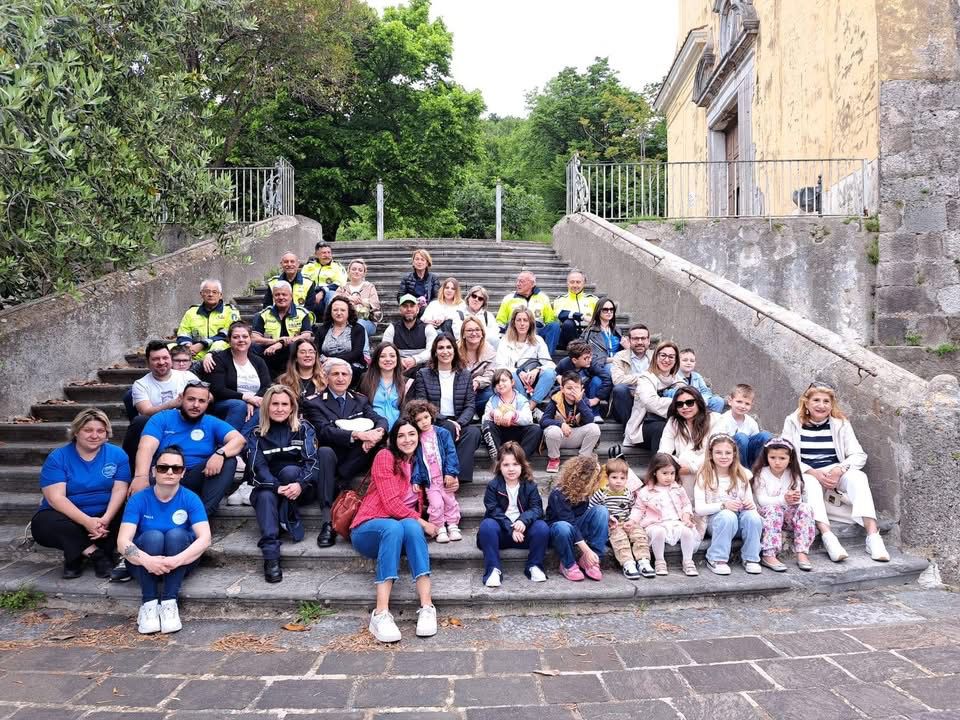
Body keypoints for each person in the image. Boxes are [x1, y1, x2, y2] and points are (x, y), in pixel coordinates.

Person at [350, 420, 438, 643]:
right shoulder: (385, 457)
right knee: (396, 525)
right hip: (368, 528)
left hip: (400, 531)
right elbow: (390, 504)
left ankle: (427, 607)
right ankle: (380, 614)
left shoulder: (419, 462)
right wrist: (424, 523)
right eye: (401, 435)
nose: (407, 439)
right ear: (393, 439)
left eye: (412, 434)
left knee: (407, 526)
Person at [780, 382, 889, 562]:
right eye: (816, 400)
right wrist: (812, 472)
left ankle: (873, 537)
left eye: (826, 401)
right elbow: (786, 453)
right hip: (807, 473)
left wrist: (839, 469)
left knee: (858, 477)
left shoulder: (841, 424)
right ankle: (828, 536)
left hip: (834, 472)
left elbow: (858, 454)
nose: (821, 405)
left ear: (832, 405)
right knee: (812, 484)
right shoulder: (792, 422)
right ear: (806, 403)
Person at [118, 446, 211, 634]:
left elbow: (205, 538)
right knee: (153, 536)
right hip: (143, 563)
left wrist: (176, 560)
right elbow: (122, 541)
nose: (169, 472)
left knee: (176, 535)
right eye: (163, 467)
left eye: (176, 468)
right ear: (153, 470)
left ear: (183, 473)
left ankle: (169, 602)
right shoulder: (139, 499)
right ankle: (149, 604)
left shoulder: (190, 499)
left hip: (178, 562)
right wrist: (147, 560)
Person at [247, 385, 335, 581]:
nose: (279, 409)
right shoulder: (256, 434)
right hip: (270, 488)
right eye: (274, 404)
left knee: (290, 471)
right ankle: (271, 556)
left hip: (301, 488)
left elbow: (312, 462)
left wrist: (300, 485)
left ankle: (286, 516)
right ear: (266, 407)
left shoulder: (304, 428)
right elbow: (256, 470)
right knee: (264, 495)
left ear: (292, 407)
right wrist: (275, 486)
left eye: (284, 404)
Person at [32, 408, 131, 580]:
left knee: (131, 512)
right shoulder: (58, 457)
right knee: (42, 523)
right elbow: (56, 498)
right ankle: (96, 555)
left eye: (100, 431)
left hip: (105, 516)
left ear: (107, 434)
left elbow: (120, 489)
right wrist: (87, 522)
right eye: (88, 430)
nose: (95, 435)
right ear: (76, 431)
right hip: (69, 517)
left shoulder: (117, 455)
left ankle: (76, 555)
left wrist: (106, 518)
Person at [131, 380, 246, 516]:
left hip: (195, 476)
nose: (196, 405)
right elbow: (146, 447)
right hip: (166, 474)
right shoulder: (162, 418)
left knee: (229, 460)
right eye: (191, 399)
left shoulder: (210, 422)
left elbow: (239, 440)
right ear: (181, 399)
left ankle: (202, 516)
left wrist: (220, 453)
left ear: (207, 403)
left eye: (201, 401)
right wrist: (140, 476)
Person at [302, 358, 388, 491]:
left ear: (350, 378)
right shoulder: (313, 402)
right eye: (335, 374)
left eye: (344, 374)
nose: (340, 378)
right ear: (326, 377)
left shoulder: (360, 399)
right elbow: (324, 431)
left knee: (381, 443)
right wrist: (359, 435)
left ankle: (342, 477)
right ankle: (340, 480)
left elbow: (380, 420)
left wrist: (376, 434)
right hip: (332, 453)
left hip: (358, 453)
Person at [410, 334, 481, 484]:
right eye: (440, 348)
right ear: (435, 351)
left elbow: (470, 405)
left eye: (449, 347)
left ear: (455, 350)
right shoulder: (423, 374)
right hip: (435, 420)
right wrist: (445, 419)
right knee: (447, 427)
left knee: (474, 432)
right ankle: (439, 475)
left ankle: (455, 478)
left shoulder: (465, 375)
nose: (445, 351)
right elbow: (422, 403)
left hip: (459, 422)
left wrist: (459, 423)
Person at [477, 441, 549, 587]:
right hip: (500, 534)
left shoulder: (530, 485)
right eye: (506, 465)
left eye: (515, 464)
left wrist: (522, 521)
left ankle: (534, 566)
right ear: (499, 466)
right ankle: (493, 570)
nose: (511, 469)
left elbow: (537, 509)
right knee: (487, 525)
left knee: (542, 527)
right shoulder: (493, 486)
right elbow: (493, 511)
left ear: (522, 465)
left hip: (523, 534)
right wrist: (511, 529)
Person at [122, 340, 199, 468]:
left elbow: (209, 397)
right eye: (156, 359)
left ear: (170, 358)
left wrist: (190, 399)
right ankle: (132, 471)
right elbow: (145, 411)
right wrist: (173, 404)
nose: (162, 362)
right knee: (139, 421)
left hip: (185, 420)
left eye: (165, 357)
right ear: (148, 362)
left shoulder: (186, 376)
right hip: (156, 424)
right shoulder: (141, 384)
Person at [694, 434, 763, 576]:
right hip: (716, 523)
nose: (723, 456)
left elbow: (752, 505)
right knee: (727, 516)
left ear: (734, 454)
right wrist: (723, 505)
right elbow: (700, 509)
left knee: (752, 516)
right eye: (718, 452)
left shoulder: (742, 475)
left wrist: (749, 504)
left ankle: (751, 558)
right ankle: (716, 558)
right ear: (711, 454)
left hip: (739, 522)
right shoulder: (705, 476)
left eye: (728, 453)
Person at [752, 437, 816, 572]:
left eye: (782, 458)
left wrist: (793, 498)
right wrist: (783, 499)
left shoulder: (793, 474)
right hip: (766, 515)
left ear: (790, 459)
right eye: (773, 457)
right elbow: (762, 500)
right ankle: (769, 553)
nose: (777, 462)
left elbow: (796, 498)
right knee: (774, 509)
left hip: (786, 516)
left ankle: (802, 552)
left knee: (806, 507)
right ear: (766, 457)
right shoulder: (761, 474)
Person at [635, 453, 701, 577]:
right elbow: (638, 508)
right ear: (655, 472)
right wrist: (632, 521)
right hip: (655, 523)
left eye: (672, 473)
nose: (669, 477)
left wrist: (686, 515)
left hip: (675, 522)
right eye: (664, 473)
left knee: (687, 531)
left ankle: (688, 561)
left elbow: (686, 504)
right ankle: (660, 561)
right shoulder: (646, 491)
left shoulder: (678, 488)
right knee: (658, 532)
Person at [590, 456, 655, 580]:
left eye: (622, 478)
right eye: (614, 477)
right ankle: (628, 563)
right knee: (620, 538)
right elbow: (591, 509)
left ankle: (643, 561)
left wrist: (631, 521)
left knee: (639, 535)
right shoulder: (601, 493)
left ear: (626, 479)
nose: (618, 481)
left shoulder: (628, 493)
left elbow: (633, 508)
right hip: (612, 526)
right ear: (607, 477)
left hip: (627, 522)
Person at [202, 321, 271, 436]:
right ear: (229, 340)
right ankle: (227, 441)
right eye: (236, 337)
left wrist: (254, 400)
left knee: (262, 409)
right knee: (239, 405)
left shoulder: (258, 361)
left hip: (255, 401)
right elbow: (218, 389)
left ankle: (240, 442)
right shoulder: (219, 359)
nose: (241, 340)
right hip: (226, 403)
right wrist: (245, 398)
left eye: (245, 336)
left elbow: (267, 385)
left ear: (250, 339)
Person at [407, 400, 462, 544]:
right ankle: (440, 528)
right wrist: (417, 479)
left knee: (450, 501)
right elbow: (417, 462)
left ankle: (453, 525)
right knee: (436, 504)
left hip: (445, 478)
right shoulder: (417, 438)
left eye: (426, 417)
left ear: (431, 415)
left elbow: (451, 453)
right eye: (419, 420)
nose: (424, 422)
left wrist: (451, 473)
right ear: (414, 422)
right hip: (430, 481)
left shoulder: (442, 433)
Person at [546, 456, 608, 582]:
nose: (598, 481)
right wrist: (586, 550)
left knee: (601, 511)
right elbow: (570, 522)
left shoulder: (584, 492)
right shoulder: (558, 493)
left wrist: (604, 519)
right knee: (563, 526)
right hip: (559, 532)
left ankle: (592, 560)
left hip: (576, 528)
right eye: (595, 479)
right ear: (583, 478)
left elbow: (583, 516)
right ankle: (568, 564)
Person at [659, 385, 724, 499]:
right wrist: (675, 466)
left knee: (686, 458)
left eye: (689, 402)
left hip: (711, 466)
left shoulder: (715, 419)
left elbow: (717, 451)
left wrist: (691, 468)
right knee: (678, 460)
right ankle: (688, 505)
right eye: (679, 404)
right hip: (683, 469)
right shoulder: (674, 422)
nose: (684, 407)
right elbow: (664, 451)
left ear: (698, 402)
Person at [494, 307, 557, 414]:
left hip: (533, 381)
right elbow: (500, 366)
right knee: (511, 374)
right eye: (519, 320)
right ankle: (527, 408)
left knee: (550, 373)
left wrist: (537, 369)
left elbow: (550, 364)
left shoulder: (538, 340)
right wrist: (519, 372)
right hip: (515, 381)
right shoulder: (505, 341)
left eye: (525, 320)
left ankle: (530, 407)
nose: (522, 324)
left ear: (530, 323)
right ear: (513, 323)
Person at [623, 341, 683, 452]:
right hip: (643, 427)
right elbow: (651, 403)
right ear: (655, 357)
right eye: (663, 355)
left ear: (676, 360)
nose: (666, 360)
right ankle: (659, 467)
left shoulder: (679, 381)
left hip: (672, 422)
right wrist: (678, 404)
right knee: (662, 428)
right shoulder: (646, 378)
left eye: (671, 357)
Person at [540, 371, 602, 474]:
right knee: (552, 431)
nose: (573, 391)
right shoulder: (555, 400)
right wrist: (561, 424)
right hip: (558, 438)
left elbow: (590, 420)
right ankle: (554, 459)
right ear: (562, 389)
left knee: (594, 428)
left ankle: (583, 459)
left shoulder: (583, 400)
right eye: (569, 388)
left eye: (576, 388)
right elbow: (543, 421)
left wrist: (579, 402)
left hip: (576, 436)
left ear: (581, 388)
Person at [251, 281, 315, 377]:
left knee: (293, 346)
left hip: (291, 352)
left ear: (291, 295)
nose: (281, 297)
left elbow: (307, 335)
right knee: (252, 347)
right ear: (273, 297)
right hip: (269, 351)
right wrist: (275, 341)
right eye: (277, 295)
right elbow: (254, 338)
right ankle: (263, 379)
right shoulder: (263, 314)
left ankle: (292, 377)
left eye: (284, 294)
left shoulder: (302, 313)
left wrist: (281, 343)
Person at [480, 368, 543, 462]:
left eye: (504, 380)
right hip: (500, 433)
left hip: (517, 433)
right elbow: (484, 419)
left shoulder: (521, 399)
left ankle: (520, 462)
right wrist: (493, 413)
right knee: (487, 425)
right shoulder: (492, 400)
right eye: (497, 382)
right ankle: (497, 460)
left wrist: (514, 415)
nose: (500, 384)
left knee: (536, 430)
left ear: (512, 382)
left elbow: (528, 419)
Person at [494, 271, 560, 354]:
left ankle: (546, 357)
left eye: (521, 281)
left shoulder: (543, 298)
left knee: (555, 325)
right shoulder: (508, 298)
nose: (518, 284)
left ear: (532, 284)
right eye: (517, 281)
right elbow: (500, 321)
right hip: (516, 329)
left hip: (537, 329)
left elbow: (550, 320)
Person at [175, 279, 241, 359]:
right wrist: (187, 346)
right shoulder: (191, 312)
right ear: (201, 294)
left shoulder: (230, 311)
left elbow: (230, 333)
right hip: (195, 352)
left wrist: (203, 344)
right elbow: (183, 333)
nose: (210, 294)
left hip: (221, 353)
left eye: (214, 292)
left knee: (219, 344)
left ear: (220, 295)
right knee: (170, 347)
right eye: (207, 291)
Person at [312, 296, 368, 386]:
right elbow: (316, 350)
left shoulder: (357, 329)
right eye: (335, 310)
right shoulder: (322, 329)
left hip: (351, 364)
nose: (339, 313)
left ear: (348, 312)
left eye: (342, 310)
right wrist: (325, 361)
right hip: (325, 365)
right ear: (330, 312)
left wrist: (335, 360)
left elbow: (357, 353)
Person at [381, 294, 438, 377]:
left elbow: (432, 351)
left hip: (422, 367)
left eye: (412, 306)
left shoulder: (428, 328)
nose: (409, 309)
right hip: (398, 366)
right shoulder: (392, 328)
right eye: (405, 306)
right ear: (400, 310)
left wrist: (414, 360)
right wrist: (400, 361)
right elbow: (384, 350)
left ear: (417, 309)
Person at [719, 384, 773, 468]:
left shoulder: (752, 422)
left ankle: (759, 470)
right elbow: (720, 444)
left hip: (749, 457)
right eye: (739, 402)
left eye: (747, 404)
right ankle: (743, 472)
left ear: (751, 405)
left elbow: (756, 445)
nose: (743, 406)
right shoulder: (722, 420)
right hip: (731, 455)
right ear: (730, 401)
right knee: (741, 437)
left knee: (766, 435)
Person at [358, 342, 408, 431]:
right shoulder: (365, 379)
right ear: (376, 359)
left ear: (397, 359)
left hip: (399, 432)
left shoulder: (407, 382)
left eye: (392, 356)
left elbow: (406, 412)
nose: (388, 359)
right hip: (373, 430)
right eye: (382, 356)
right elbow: (361, 406)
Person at [610, 324, 653, 425]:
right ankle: (630, 431)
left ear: (649, 340)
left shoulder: (656, 356)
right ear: (629, 340)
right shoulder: (620, 356)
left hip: (648, 400)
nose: (639, 342)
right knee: (620, 389)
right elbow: (617, 380)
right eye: (635, 339)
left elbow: (662, 378)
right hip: (626, 402)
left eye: (643, 338)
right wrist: (645, 377)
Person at [555, 339, 612, 413]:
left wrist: (598, 398)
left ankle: (595, 413)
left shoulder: (592, 363)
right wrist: (559, 378)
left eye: (590, 356)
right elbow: (555, 380)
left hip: (589, 392)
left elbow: (607, 378)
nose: (590, 359)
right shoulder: (564, 364)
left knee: (597, 380)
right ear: (575, 360)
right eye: (586, 358)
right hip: (571, 394)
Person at [262, 251, 319, 316]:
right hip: (278, 319)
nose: (289, 264)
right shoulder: (273, 282)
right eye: (286, 262)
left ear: (298, 264)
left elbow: (310, 307)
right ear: (281, 264)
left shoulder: (308, 283)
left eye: (292, 262)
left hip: (301, 320)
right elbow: (267, 306)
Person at [459, 317, 497, 415]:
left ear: (482, 333)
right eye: (469, 330)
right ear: (463, 334)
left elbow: (490, 375)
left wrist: (477, 382)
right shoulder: (455, 350)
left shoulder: (490, 351)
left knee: (491, 395)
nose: (474, 333)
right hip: (459, 390)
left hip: (480, 390)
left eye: (477, 330)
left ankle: (473, 412)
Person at [666, 349, 724, 413]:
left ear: (695, 363)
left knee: (718, 401)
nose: (688, 363)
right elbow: (666, 392)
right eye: (685, 360)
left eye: (692, 361)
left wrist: (702, 400)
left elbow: (706, 391)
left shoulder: (697, 376)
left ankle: (711, 421)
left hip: (699, 401)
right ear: (677, 362)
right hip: (684, 403)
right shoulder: (673, 376)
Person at [553, 269, 598, 350]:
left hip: (587, 335)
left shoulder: (593, 300)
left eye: (578, 282)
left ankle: (581, 350)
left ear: (584, 283)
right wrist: (582, 316)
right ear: (567, 283)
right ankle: (579, 350)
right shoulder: (560, 300)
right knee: (568, 323)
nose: (575, 285)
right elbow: (560, 314)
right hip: (567, 338)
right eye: (572, 282)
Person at [338, 258, 381, 337]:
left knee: (358, 325)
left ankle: (363, 349)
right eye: (354, 269)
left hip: (366, 321)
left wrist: (362, 302)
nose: (356, 272)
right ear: (348, 271)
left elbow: (376, 305)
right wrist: (348, 299)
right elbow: (333, 302)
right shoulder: (342, 288)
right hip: (345, 321)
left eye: (360, 270)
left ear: (364, 273)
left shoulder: (369, 287)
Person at [302, 242, 347, 312]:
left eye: (329, 252)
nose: (327, 255)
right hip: (311, 294)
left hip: (328, 295)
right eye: (324, 253)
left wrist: (323, 292)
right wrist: (312, 294)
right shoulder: (308, 267)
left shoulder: (338, 267)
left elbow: (340, 283)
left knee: (332, 294)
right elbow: (303, 282)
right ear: (316, 254)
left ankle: (330, 320)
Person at [580, 296, 625, 365]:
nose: (609, 312)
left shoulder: (617, 330)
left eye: (611, 309)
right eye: (605, 310)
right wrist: (613, 360)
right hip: (600, 366)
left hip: (617, 365)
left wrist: (627, 347)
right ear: (598, 311)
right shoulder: (590, 332)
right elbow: (592, 357)